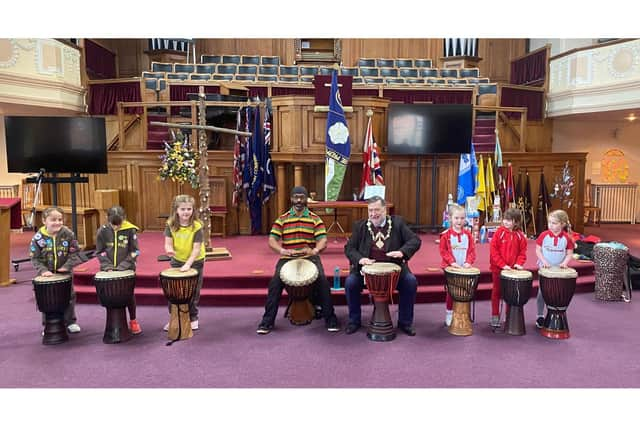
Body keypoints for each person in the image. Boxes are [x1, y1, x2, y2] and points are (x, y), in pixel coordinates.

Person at [256, 186, 339, 335]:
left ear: (306, 199)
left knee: (323, 283)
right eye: (296, 197)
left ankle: (330, 318)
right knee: (274, 284)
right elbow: (272, 240)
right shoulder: (282, 218)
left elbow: (323, 240)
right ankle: (267, 321)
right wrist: (282, 250)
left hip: (310, 257)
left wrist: (315, 250)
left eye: (302, 197)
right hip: (287, 257)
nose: (299, 200)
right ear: (291, 198)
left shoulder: (315, 219)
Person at [344, 196, 422, 336]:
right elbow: (349, 248)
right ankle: (354, 321)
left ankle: (405, 322)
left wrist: (402, 252)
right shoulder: (360, 226)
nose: (373, 214)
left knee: (410, 282)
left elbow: (415, 240)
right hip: (366, 271)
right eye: (370, 210)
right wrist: (360, 259)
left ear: (385, 210)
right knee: (350, 283)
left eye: (377, 210)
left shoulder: (397, 223)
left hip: (394, 269)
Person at [30, 206, 82, 333]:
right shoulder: (38, 238)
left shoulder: (68, 234)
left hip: (65, 273)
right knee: (47, 299)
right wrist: (43, 271)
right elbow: (35, 258)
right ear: (44, 221)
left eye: (60, 219)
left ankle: (70, 321)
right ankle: (48, 324)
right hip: (46, 274)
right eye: (53, 219)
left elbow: (75, 253)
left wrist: (67, 266)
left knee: (69, 296)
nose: (57, 222)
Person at [95, 205, 142, 334]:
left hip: (126, 269)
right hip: (108, 270)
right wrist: (108, 267)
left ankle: (133, 320)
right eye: (113, 225)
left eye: (119, 225)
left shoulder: (130, 230)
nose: (116, 227)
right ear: (107, 219)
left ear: (124, 219)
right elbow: (100, 251)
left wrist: (122, 267)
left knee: (129, 295)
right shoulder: (102, 231)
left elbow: (135, 251)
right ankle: (114, 322)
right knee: (111, 297)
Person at [163, 194, 206, 331]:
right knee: (174, 292)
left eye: (189, 209)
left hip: (195, 261)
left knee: (192, 292)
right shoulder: (170, 225)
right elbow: (168, 244)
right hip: (177, 261)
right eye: (183, 209)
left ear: (193, 210)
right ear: (176, 210)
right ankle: (175, 318)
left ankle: (193, 317)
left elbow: (196, 249)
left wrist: (188, 264)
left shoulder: (197, 226)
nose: (186, 212)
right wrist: (169, 250)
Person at [534, 209, 575, 328]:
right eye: (549, 222)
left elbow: (569, 253)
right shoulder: (544, 235)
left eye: (554, 223)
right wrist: (544, 261)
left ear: (562, 224)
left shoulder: (566, 238)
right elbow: (538, 250)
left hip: (559, 271)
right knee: (542, 293)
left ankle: (554, 314)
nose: (550, 225)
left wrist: (565, 263)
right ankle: (540, 315)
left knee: (556, 294)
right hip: (545, 270)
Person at [489, 207, 528, 328]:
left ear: (516, 222)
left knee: (510, 294)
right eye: (505, 219)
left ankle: (508, 315)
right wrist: (502, 265)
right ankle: (495, 315)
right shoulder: (498, 233)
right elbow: (493, 251)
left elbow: (523, 252)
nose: (505, 222)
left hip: (512, 271)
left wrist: (518, 264)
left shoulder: (520, 236)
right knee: (496, 292)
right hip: (498, 269)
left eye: (509, 220)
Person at [439, 203, 476, 327]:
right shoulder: (446, 236)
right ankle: (449, 314)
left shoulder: (468, 235)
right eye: (456, 218)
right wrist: (452, 263)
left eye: (461, 218)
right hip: (451, 268)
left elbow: (472, 251)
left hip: (464, 268)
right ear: (450, 218)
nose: (459, 221)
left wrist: (468, 262)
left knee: (465, 291)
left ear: (465, 219)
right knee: (451, 292)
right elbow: (443, 252)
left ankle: (464, 313)